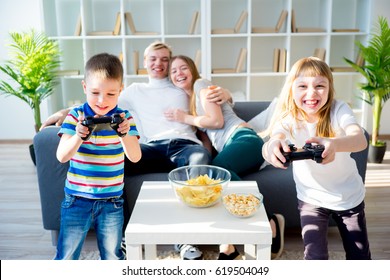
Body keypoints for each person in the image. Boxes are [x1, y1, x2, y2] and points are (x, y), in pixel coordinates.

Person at [41, 41, 232, 260]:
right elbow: (98, 102)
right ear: (145, 62)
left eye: (164, 59)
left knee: (200, 158)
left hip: (184, 146)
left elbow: (208, 94)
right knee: (117, 162)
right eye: (153, 58)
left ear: (171, 63)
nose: (158, 63)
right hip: (152, 147)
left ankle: (186, 238)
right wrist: (63, 113)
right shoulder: (133, 91)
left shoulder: (182, 86)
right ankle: (123, 235)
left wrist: (225, 92)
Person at [166, 55, 285, 260]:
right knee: (214, 177)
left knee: (218, 176)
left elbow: (217, 121)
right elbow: (207, 142)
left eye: (183, 68)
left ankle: (269, 221)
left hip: (244, 139)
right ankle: (228, 247)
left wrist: (184, 118)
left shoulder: (201, 86)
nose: (179, 73)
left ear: (193, 70)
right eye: (173, 71)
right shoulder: (193, 103)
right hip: (235, 147)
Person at [262, 56, 371, 260]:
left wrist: (334, 144)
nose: (311, 93)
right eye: (302, 85)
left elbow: (360, 140)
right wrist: (271, 148)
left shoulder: (339, 109)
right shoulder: (288, 117)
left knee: (359, 256)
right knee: (315, 257)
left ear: (329, 88)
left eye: (320, 85)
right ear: (291, 90)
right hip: (311, 198)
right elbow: (273, 140)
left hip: (348, 196)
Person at [55, 53, 142, 260]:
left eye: (111, 94)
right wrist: (77, 136)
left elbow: (135, 157)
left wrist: (123, 134)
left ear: (121, 90)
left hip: (111, 202)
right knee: (66, 256)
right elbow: (61, 156)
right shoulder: (76, 116)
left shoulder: (125, 118)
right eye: (95, 92)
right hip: (77, 199)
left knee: (113, 256)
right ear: (85, 87)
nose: (102, 101)